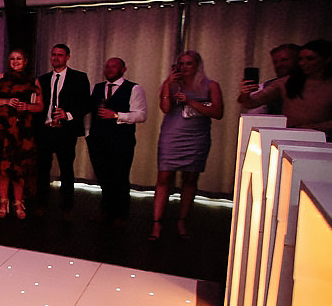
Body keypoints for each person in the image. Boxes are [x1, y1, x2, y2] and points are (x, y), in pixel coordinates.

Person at [151, 50, 224, 240]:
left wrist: (190, 101)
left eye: (189, 63)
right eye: (181, 63)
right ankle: (157, 223)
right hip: (172, 134)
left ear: (198, 65)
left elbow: (217, 112)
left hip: (197, 136)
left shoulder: (211, 85)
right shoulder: (171, 85)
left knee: (190, 179)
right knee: (164, 176)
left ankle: (182, 220)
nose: (184, 67)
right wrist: (168, 84)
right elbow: (165, 109)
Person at [238, 38, 332, 142]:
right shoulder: (287, 82)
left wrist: (311, 128)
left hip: (325, 141)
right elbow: (250, 103)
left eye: (310, 59)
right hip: (291, 138)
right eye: (301, 59)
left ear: (327, 60)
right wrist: (245, 93)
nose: (303, 63)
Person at [86, 58, 147, 225]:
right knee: (103, 177)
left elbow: (141, 115)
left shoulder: (134, 89)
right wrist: (88, 135)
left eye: (114, 66)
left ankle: (120, 214)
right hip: (98, 140)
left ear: (123, 69)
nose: (109, 69)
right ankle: (105, 210)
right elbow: (89, 111)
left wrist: (116, 115)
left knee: (119, 177)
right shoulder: (97, 88)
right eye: (107, 66)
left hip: (121, 141)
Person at [0, 49, 43, 219]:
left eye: (19, 59)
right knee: (3, 165)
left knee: (20, 167)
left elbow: (40, 106)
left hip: (23, 129)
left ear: (25, 61)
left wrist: (27, 107)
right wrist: (7, 101)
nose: (15, 61)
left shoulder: (34, 81)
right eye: (12, 59)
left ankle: (18, 201)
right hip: (1, 128)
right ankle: (3, 200)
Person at [35, 44, 91, 212]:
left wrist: (68, 114)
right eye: (53, 55)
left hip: (66, 131)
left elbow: (86, 104)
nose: (56, 58)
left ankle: (67, 207)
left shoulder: (79, 77)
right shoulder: (42, 79)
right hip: (45, 130)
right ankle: (41, 203)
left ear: (67, 57)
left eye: (60, 55)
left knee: (66, 169)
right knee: (42, 168)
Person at [241, 43, 299, 116]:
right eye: (275, 62)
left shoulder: (314, 83)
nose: (279, 65)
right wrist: (245, 93)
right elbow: (250, 105)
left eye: (284, 60)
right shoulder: (268, 86)